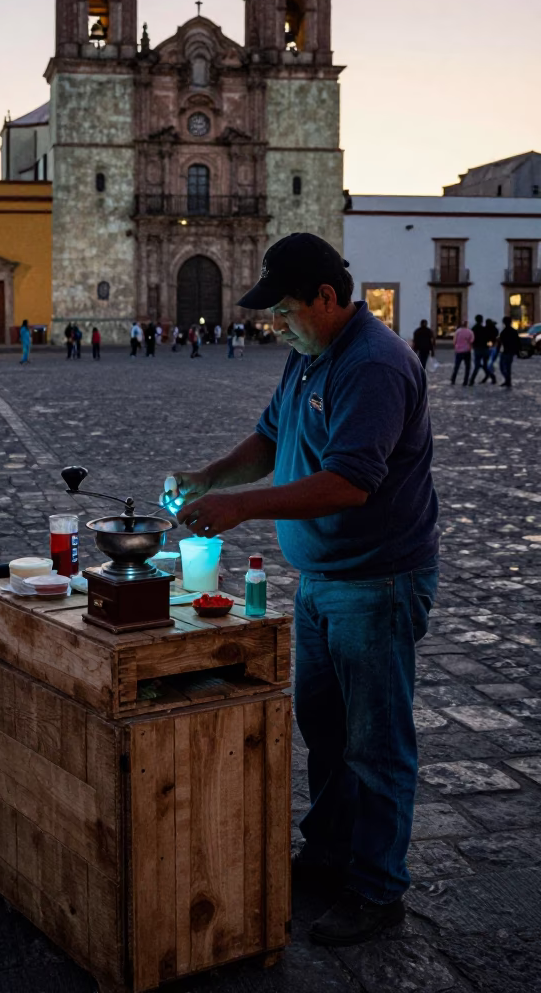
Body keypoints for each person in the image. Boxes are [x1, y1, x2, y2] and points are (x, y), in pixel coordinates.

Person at [168, 233, 438, 946]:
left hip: (377, 580)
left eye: (285, 311)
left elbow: (351, 482)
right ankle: (330, 856)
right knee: (325, 730)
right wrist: (208, 479)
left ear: (326, 298)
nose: (276, 326)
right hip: (324, 580)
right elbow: (267, 438)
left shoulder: (374, 365)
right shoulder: (306, 355)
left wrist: (242, 509)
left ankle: (378, 890)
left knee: (375, 742)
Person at [497, 315, 521, 388]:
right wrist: (517, 351)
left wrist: (498, 350)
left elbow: (500, 342)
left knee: (502, 366)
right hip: (510, 351)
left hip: (506, 351)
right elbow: (518, 342)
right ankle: (508, 380)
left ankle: (507, 380)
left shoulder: (504, 332)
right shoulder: (513, 331)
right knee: (508, 367)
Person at [450, 320, 473, 385]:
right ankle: (465, 381)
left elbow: (454, 341)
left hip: (459, 351)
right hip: (467, 351)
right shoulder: (470, 332)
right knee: (467, 367)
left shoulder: (458, 331)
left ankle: (453, 380)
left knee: (457, 366)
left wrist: (456, 347)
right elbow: (471, 341)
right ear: (467, 325)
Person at [468, 314, 489, 385]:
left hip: (477, 348)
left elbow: (471, 339)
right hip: (485, 348)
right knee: (484, 364)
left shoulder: (473, 329)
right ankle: (490, 376)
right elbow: (487, 338)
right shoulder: (484, 329)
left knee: (477, 365)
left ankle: (472, 380)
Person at [482, 318, 499, 383]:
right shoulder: (494, 329)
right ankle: (490, 375)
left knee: (486, 364)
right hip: (493, 347)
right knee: (488, 364)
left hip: (489, 347)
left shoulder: (486, 329)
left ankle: (490, 376)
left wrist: (488, 344)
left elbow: (489, 339)